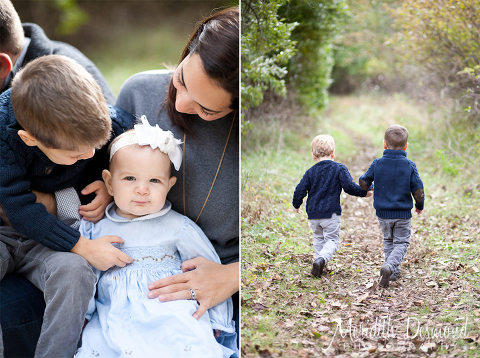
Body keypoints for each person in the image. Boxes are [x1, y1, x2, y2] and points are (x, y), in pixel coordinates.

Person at [0, 1, 117, 355]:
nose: (86, 156)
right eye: (75, 153)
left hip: (57, 233)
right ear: (29, 138)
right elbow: (16, 206)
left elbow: (117, 150)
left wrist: (106, 186)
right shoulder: (7, 127)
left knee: (75, 272)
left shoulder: (81, 89)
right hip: (8, 233)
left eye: (90, 150)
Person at [115, 6, 240, 336]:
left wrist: (233, 277)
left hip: (225, 290)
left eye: (207, 109)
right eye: (181, 80)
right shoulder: (138, 92)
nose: (182, 104)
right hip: (127, 277)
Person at [76, 118, 237, 358]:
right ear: (109, 182)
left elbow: (212, 273)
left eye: (154, 181)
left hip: (174, 316)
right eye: (130, 179)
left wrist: (218, 321)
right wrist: (83, 317)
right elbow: (83, 279)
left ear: (169, 185)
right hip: (116, 319)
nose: (142, 189)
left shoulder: (178, 227)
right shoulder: (94, 230)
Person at [292, 134, 372, 277]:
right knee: (332, 240)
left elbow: (300, 189)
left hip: (314, 214)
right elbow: (349, 187)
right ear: (333, 153)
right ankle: (321, 259)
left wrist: (296, 204)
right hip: (331, 213)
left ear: (313, 155)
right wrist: (364, 193)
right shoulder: (339, 168)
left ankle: (319, 263)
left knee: (318, 238)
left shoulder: (310, 172)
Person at [359, 124, 425, 288]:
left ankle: (392, 273)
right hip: (402, 214)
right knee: (401, 243)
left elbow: (363, 181)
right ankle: (389, 267)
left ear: (384, 144)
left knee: (389, 241)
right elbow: (418, 190)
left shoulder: (377, 163)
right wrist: (419, 205)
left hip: (383, 214)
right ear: (406, 146)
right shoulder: (409, 165)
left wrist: (368, 188)